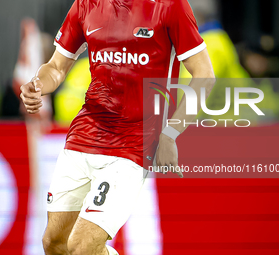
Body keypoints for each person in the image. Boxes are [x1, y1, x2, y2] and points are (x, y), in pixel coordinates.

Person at [20, 0, 215, 254]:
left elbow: (204, 75)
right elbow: (57, 67)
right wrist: (37, 84)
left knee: (82, 246)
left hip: (134, 142)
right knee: (54, 242)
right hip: (85, 133)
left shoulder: (170, 6)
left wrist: (170, 134)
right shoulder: (85, 5)